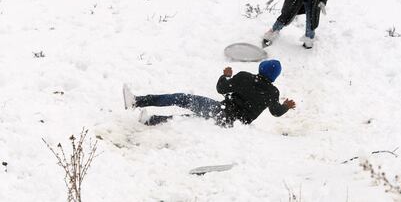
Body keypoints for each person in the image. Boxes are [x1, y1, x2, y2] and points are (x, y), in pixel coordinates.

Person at [123, 59, 296, 127]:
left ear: (261, 68)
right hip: (235, 125)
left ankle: (137, 101)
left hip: (221, 111)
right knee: (188, 121)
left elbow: (221, 89)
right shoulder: (273, 93)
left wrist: (225, 76)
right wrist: (286, 106)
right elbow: (276, 112)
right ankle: (149, 121)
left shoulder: (245, 77)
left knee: (182, 99)